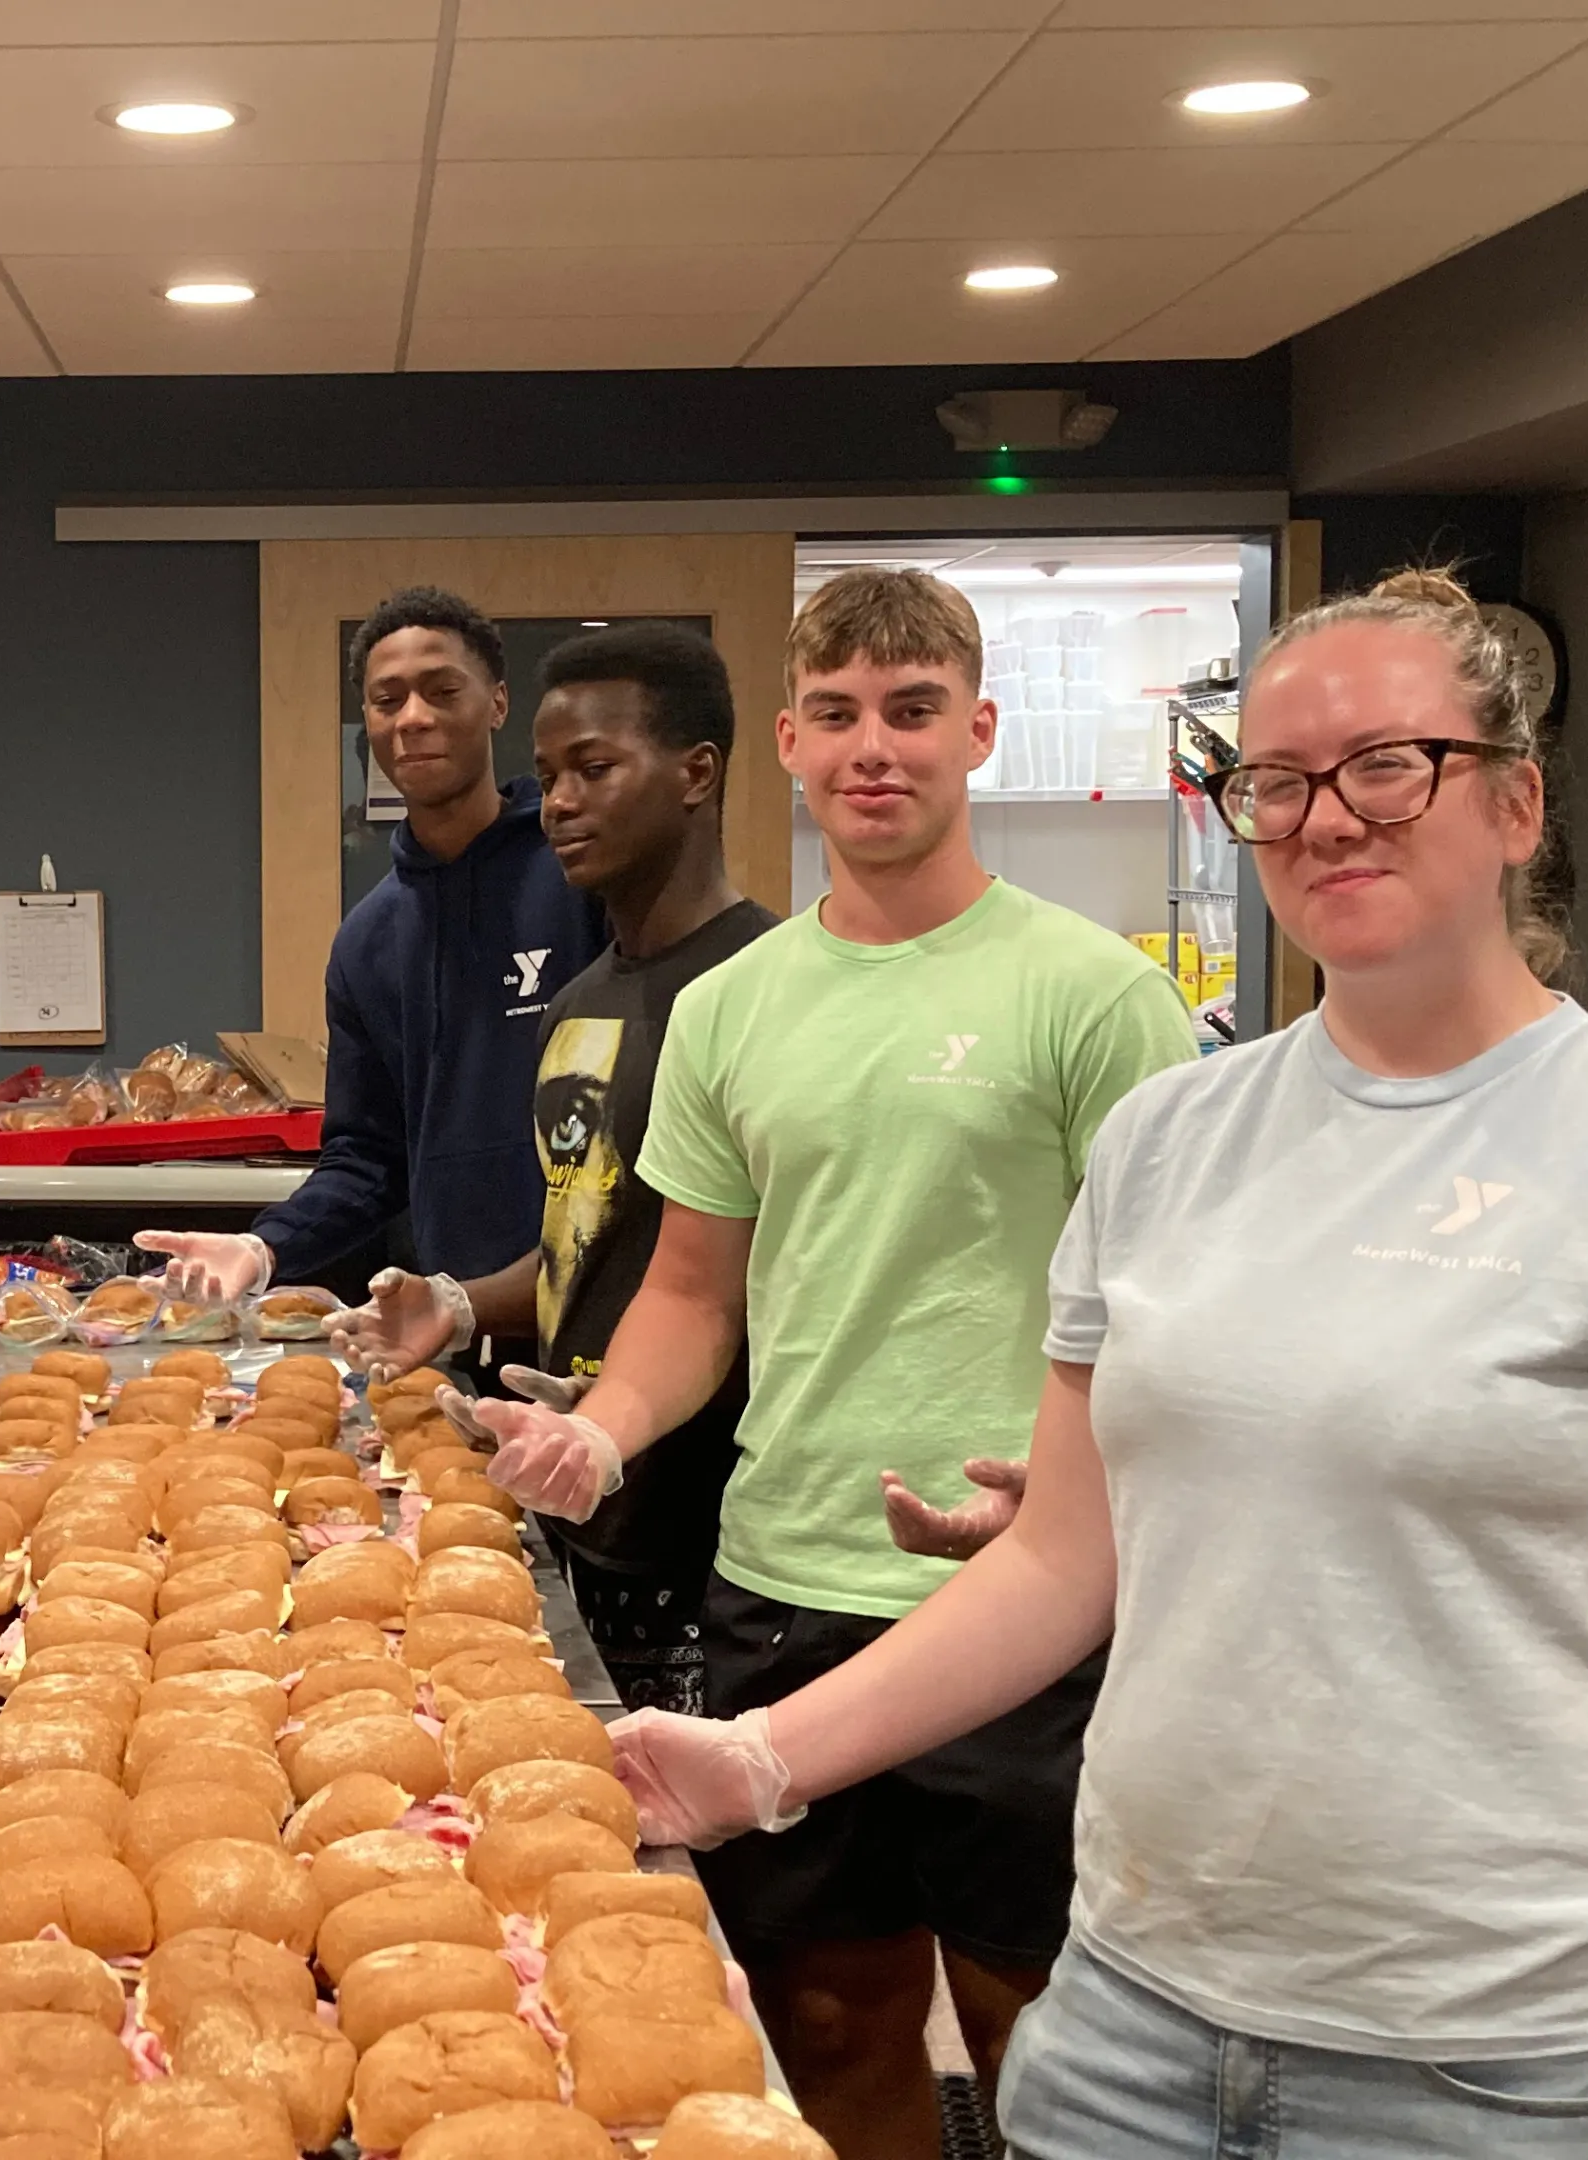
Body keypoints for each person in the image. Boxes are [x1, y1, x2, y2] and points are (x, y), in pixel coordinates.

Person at [608, 570, 1588, 2160]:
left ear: (1517, 803)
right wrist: (755, 1762)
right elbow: (1062, 1561)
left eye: (1389, 766)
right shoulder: (1172, 1141)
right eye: (1275, 781)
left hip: (1492, 2069)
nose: (1327, 818)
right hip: (1136, 2023)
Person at [462, 568, 1196, 2158]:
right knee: (827, 2027)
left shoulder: (1099, 998)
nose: (877, 749)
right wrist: (606, 1427)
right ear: (789, 742)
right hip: (783, 1584)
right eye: (841, 715)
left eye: (915, 712)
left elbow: (1178, 1313)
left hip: (1025, 1607)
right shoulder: (734, 1008)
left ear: (978, 731)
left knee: (1042, 2045)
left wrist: (1088, 1487)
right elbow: (692, 1293)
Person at [328, 622, 776, 1713]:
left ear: (697, 774)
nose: (561, 803)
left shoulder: (771, 985)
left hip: (718, 1532)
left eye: (595, 769)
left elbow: (740, 1278)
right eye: (553, 773)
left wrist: (625, 1407)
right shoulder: (581, 1003)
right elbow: (593, 1242)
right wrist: (458, 1305)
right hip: (589, 1514)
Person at [139, 585, 603, 1307]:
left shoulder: (582, 879)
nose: (413, 717)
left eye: (442, 691)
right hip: (451, 1317)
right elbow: (366, 1158)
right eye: (388, 700)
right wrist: (265, 1247)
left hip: (606, 1309)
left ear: (497, 704)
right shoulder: (368, 943)